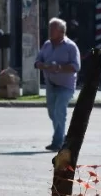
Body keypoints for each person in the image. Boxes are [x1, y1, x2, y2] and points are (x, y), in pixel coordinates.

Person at [34, 18, 81, 152]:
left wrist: (59, 67)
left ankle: (58, 142)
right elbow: (37, 61)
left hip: (66, 85)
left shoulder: (70, 46)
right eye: (49, 28)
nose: (49, 31)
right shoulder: (47, 45)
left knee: (60, 111)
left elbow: (76, 66)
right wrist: (42, 65)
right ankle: (63, 137)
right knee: (52, 113)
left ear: (61, 32)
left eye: (52, 29)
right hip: (50, 84)